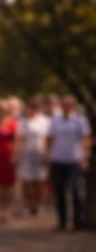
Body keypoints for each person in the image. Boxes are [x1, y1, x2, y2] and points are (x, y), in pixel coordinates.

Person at [46, 96, 92, 231]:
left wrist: (84, 158)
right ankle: (62, 221)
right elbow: (50, 138)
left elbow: (86, 139)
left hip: (74, 159)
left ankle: (77, 222)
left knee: (75, 190)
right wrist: (48, 155)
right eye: (64, 104)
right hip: (57, 158)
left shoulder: (80, 120)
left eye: (69, 105)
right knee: (59, 190)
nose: (66, 107)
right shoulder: (55, 120)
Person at [16, 99, 50, 215]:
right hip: (26, 154)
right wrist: (17, 154)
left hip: (40, 154)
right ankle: (26, 205)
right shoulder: (22, 121)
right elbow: (19, 139)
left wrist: (47, 155)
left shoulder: (44, 121)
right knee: (26, 182)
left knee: (39, 182)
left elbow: (47, 139)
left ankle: (37, 205)